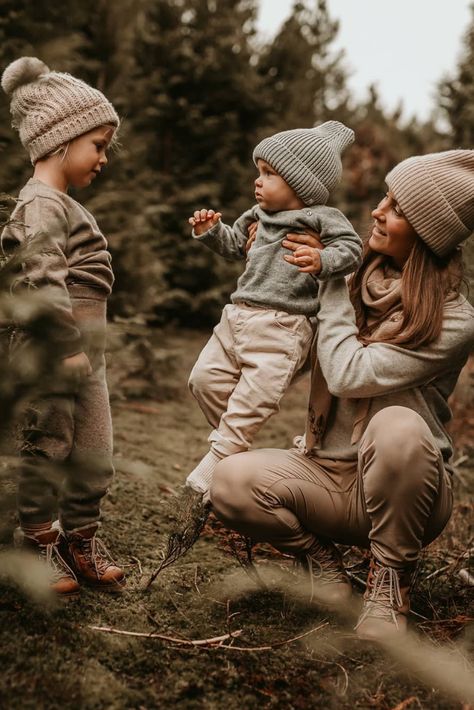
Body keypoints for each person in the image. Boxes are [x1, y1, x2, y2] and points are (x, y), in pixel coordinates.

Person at [209, 149, 474, 641]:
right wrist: (273, 251)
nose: (377, 210)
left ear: (426, 230)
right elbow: (283, 327)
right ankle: (322, 559)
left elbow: (350, 373)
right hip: (328, 476)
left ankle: (390, 577)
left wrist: (329, 282)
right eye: (384, 198)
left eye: (396, 208)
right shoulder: (349, 275)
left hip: (408, 490)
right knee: (227, 482)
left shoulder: (454, 319)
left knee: (397, 425)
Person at [0, 56, 125, 600]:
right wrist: (67, 343)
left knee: (95, 449)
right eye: (98, 144)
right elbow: (40, 274)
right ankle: (35, 544)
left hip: (85, 356)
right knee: (48, 443)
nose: (102, 158)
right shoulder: (41, 202)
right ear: (60, 140)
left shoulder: (63, 203)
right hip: (57, 350)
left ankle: (81, 540)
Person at [185, 121, 361, 499]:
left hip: (283, 324)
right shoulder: (257, 215)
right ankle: (236, 448)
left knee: (255, 396)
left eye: (269, 174)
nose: (258, 181)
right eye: (258, 172)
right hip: (237, 315)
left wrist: (321, 257)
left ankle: (220, 456)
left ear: (302, 184)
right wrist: (211, 232)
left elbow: (351, 250)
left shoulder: (323, 218)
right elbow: (235, 245)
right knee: (203, 380)